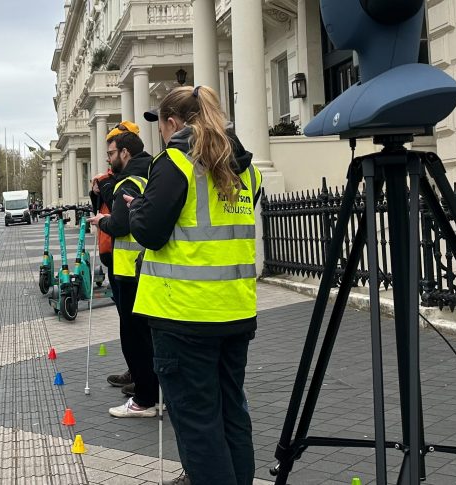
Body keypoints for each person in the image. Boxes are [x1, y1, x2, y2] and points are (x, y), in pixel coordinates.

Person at [127, 85, 261, 485]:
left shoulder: (177, 161)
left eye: (161, 126)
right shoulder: (245, 165)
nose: (161, 136)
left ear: (172, 123)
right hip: (235, 311)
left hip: (183, 316)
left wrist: (137, 211)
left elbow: (150, 231)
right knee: (231, 414)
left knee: (199, 425)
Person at [88, 125, 157, 416]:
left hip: (130, 269)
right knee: (145, 333)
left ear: (125, 153)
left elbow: (120, 224)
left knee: (134, 335)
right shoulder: (152, 171)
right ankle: (147, 387)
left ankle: (144, 399)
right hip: (147, 266)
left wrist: (101, 220)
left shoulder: (128, 182)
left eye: (112, 153)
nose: (108, 159)